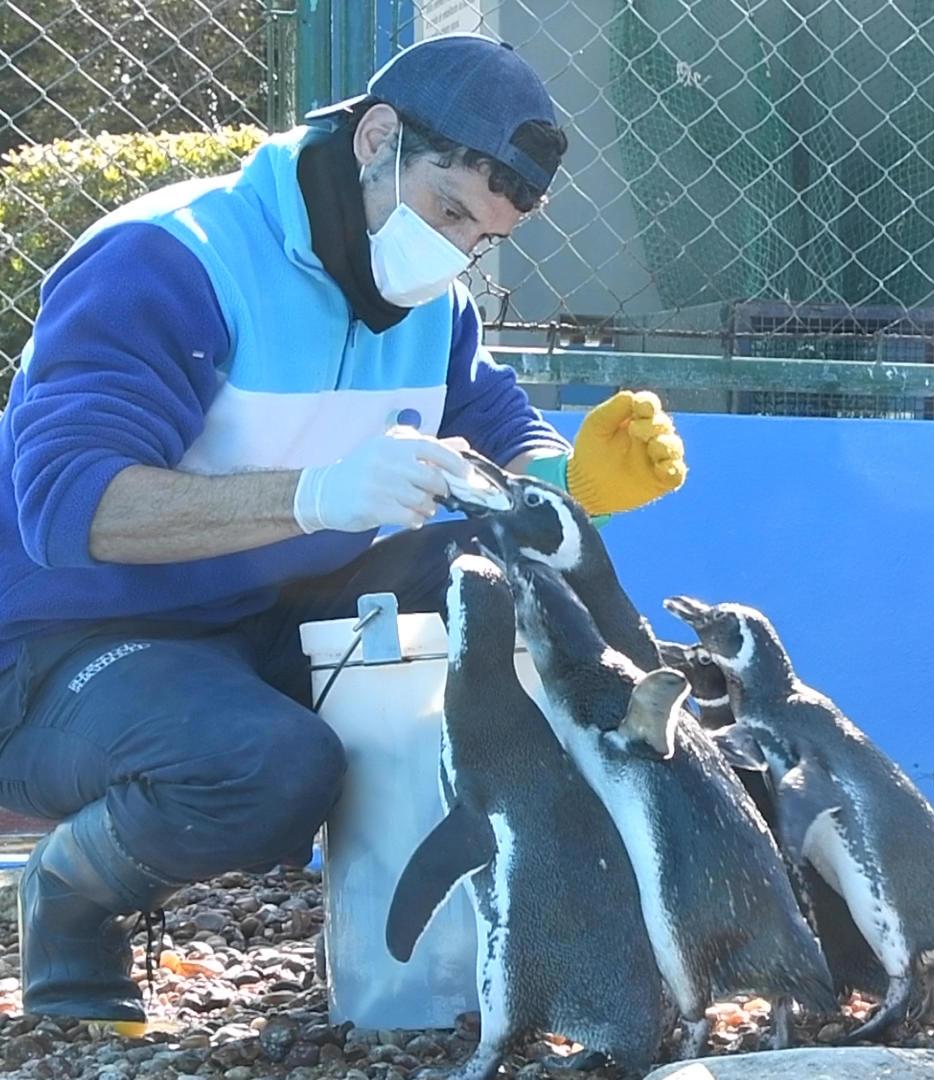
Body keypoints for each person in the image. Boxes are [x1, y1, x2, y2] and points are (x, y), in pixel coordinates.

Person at [0, 32, 687, 1026]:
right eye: (449, 211)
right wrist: (315, 495)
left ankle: (517, 934)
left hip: (263, 621)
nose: (456, 251)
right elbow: (68, 505)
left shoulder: (427, 296)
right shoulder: (169, 259)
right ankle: (69, 901)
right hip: (63, 655)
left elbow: (498, 429)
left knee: (513, 571)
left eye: (481, 239)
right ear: (376, 138)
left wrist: (569, 481)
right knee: (266, 766)